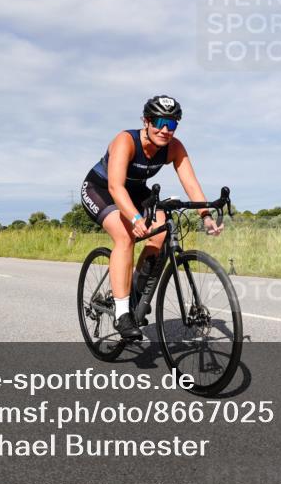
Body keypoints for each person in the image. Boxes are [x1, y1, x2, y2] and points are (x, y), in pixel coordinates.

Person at [81, 95, 222, 340]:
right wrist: (135, 219)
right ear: (146, 121)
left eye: (172, 124)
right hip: (101, 189)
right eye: (159, 121)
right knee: (124, 237)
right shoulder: (126, 140)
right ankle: (122, 312)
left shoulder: (174, 147)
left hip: (136, 192)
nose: (165, 130)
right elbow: (115, 187)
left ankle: (134, 293)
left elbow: (190, 182)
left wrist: (206, 215)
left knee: (162, 233)